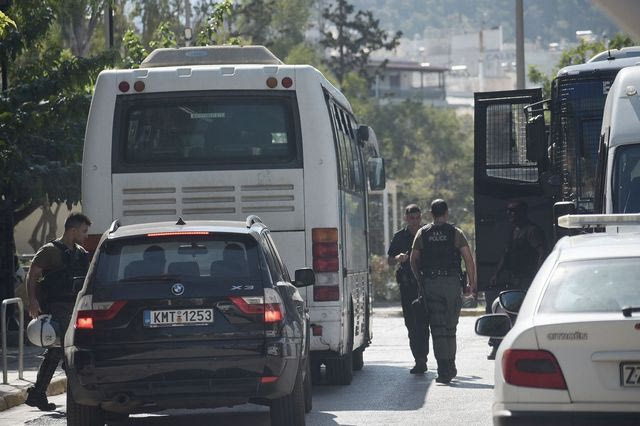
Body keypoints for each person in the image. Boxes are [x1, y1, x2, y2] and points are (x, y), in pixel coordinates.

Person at [25, 213, 91, 411]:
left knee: (56, 352)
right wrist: (33, 301)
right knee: (66, 351)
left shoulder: (81, 253)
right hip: (57, 307)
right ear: (73, 231)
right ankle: (78, 401)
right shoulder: (50, 251)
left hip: (75, 307)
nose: (87, 235)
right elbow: (32, 275)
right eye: (84, 231)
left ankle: (37, 394)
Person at [410, 199, 476, 384]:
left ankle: (444, 369)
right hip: (452, 284)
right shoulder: (456, 233)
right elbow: (468, 260)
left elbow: (413, 260)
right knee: (450, 328)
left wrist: (420, 281)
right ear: (446, 213)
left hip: (431, 285)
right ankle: (450, 364)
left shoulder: (423, 233)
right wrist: (472, 284)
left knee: (437, 329)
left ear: (431, 214)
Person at [486, 201, 546, 359]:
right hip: (514, 278)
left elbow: (541, 252)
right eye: (508, 212)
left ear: (522, 213)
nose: (510, 216)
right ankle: (497, 344)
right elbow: (505, 256)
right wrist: (496, 275)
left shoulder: (532, 231)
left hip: (528, 279)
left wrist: (539, 276)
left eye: (513, 212)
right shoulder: (514, 231)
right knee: (500, 309)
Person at [387, 204, 429, 374]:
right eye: (411, 218)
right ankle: (418, 359)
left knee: (424, 323)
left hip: (425, 284)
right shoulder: (400, 236)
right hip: (407, 286)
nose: (415, 221)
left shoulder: (427, 233)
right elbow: (389, 259)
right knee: (411, 324)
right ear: (406, 218)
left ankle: (423, 357)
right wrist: (399, 258)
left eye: (417, 218)